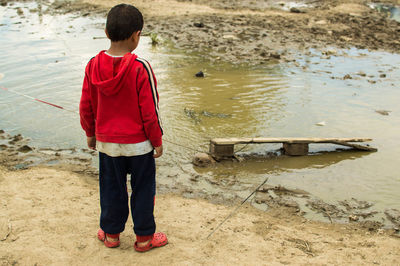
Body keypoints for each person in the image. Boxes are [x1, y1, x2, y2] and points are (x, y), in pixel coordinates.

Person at [79, 4, 167, 252]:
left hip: (107, 144)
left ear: (106, 32)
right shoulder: (141, 68)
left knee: (111, 188)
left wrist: (90, 133)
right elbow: (150, 112)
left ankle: (111, 235)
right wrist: (157, 140)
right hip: (139, 146)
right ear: (136, 35)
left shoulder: (92, 65)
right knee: (143, 190)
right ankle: (144, 239)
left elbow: (86, 105)